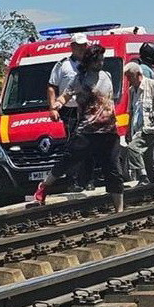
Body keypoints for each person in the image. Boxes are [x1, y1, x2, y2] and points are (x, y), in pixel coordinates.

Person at [34, 45, 125, 211]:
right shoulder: (80, 79)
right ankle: (44, 186)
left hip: (109, 131)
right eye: (98, 60)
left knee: (113, 170)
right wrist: (57, 105)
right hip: (87, 131)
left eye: (102, 60)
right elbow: (66, 95)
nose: (101, 63)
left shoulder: (107, 75)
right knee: (68, 159)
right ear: (90, 62)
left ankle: (119, 210)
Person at [47, 32, 92, 191]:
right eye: (79, 46)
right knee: (73, 145)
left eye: (84, 45)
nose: (82, 48)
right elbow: (52, 86)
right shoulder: (62, 65)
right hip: (69, 110)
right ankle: (74, 180)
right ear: (72, 47)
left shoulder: (91, 64)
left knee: (88, 144)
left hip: (87, 109)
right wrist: (53, 107)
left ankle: (86, 179)